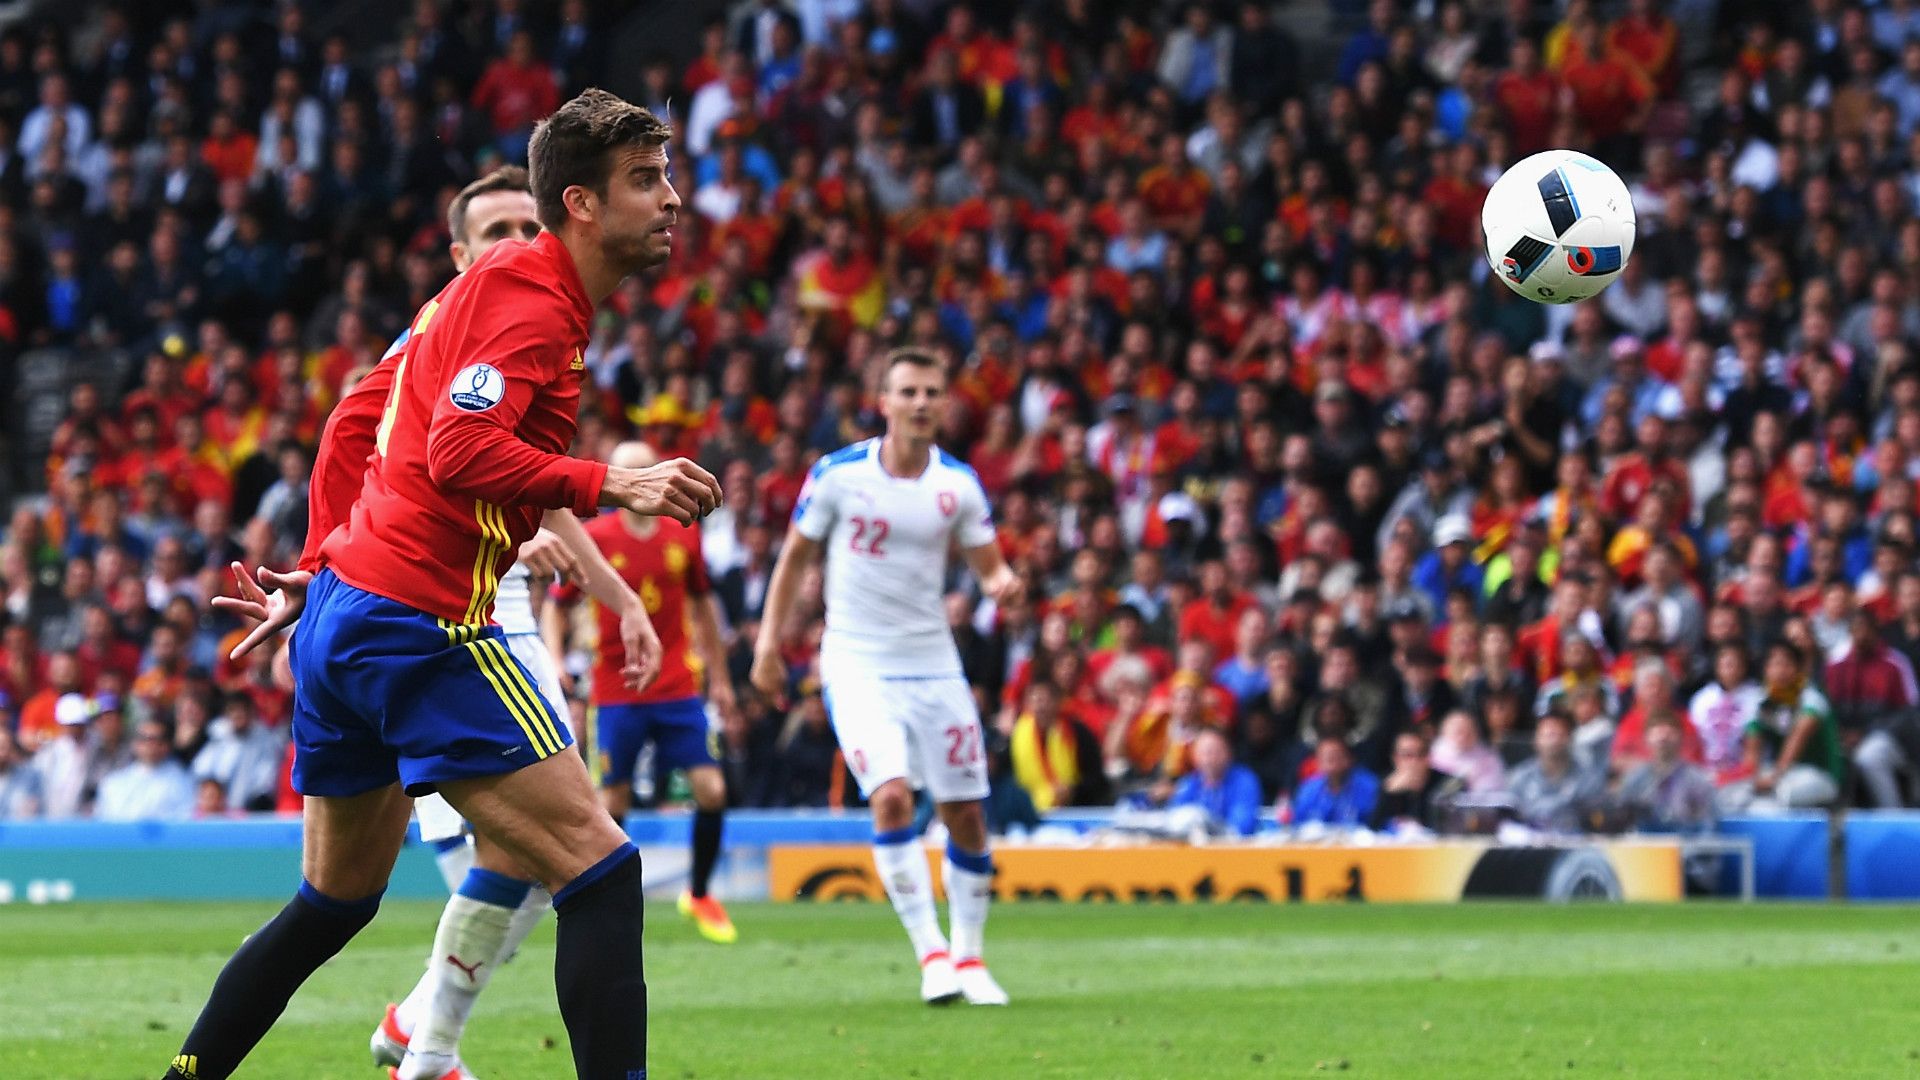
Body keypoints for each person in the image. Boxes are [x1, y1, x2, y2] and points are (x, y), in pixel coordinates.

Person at [161, 90, 722, 1080]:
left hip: (350, 615)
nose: (672, 199)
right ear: (582, 203)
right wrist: (615, 481)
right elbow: (460, 449)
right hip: (421, 624)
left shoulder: (480, 295)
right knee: (602, 870)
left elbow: (356, 422)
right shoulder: (531, 301)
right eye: (647, 179)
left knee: (333, 902)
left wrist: (321, 568)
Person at [354, 169, 672, 1079]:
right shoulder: (433, 337)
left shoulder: (534, 327)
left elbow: (538, 479)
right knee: (557, 859)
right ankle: (426, 1039)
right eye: (492, 231)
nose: (513, 243)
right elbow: (394, 461)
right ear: (459, 254)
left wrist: (620, 598)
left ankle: (420, 1034)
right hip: (434, 617)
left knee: (548, 860)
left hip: (511, 628)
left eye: (522, 226)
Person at [751, 347, 1021, 1007]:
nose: (921, 403)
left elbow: (990, 566)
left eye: (932, 392)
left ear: (945, 403)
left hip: (934, 664)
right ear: (885, 402)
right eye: (909, 392)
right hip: (858, 662)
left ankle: (970, 956)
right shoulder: (838, 475)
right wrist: (767, 643)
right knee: (892, 797)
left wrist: (1003, 584)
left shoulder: (958, 484)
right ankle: (932, 955)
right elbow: (794, 559)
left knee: (965, 813)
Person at [544, 439, 741, 944]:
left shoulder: (683, 534)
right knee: (613, 801)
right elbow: (558, 604)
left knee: (712, 790)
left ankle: (699, 894)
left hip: (677, 684)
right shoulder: (595, 536)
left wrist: (720, 680)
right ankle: (611, 903)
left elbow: (703, 609)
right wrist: (555, 658)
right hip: (615, 689)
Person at [1731, 640, 1844, 812]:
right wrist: (1751, 779)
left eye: (1787, 665)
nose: (1781, 671)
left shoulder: (1812, 699)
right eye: (1775, 665)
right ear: (1766, 670)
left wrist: (1774, 778)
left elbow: (1795, 742)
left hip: (1820, 775)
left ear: (1798, 669)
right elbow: (1752, 751)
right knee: (1738, 793)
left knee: (1784, 792)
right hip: (1780, 772)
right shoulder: (1759, 701)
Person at [1505, 712, 1605, 833]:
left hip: (1574, 841)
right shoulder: (1520, 776)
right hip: (1527, 840)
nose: (1553, 742)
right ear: (1536, 740)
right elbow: (1508, 817)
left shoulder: (1587, 778)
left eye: (1558, 735)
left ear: (1570, 739)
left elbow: (1595, 820)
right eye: (1547, 735)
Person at [1618, 712, 1717, 832]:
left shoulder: (1698, 780)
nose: (1663, 738)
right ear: (1646, 739)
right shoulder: (1635, 779)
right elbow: (1623, 821)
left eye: (1669, 733)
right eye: (1657, 733)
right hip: (1643, 841)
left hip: (1686, 841)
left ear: (1681, 738)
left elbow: (1709, 825)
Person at [95, 717, 197, 820]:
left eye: (157, 740)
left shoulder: (182, 780)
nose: (151, 745)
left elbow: (186, 817)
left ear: (167, 745)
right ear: (135, 743)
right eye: (146, 739)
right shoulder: (113, 782)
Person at [1167, 727, 1263, 836]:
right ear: (1195, 756)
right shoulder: (1189, 783)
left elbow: (1241, 826)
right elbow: (1173, 820)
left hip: (1231, 845)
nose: (1210, 758)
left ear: (1228, 753)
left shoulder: (1244, 781)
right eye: (1205, 752)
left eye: (1216, 752)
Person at [1369, 730, 1458, 832]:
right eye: (1407, 755)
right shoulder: (1386, 783)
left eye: (1421, 754)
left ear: (1429, 757)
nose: (1414, 761)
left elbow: (1445, 825)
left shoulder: (1447, 783)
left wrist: (1419, 791)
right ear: (1395, 758)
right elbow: (1372, 827)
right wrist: (1389, 793)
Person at [1290, 736, 1380, 827]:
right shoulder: (1309, 788)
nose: (1330, 760)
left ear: (1349, 758)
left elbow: (1377, 823)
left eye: (1335, 755)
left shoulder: (1369, 786)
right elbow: (1296, 823)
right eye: (1325, 756)